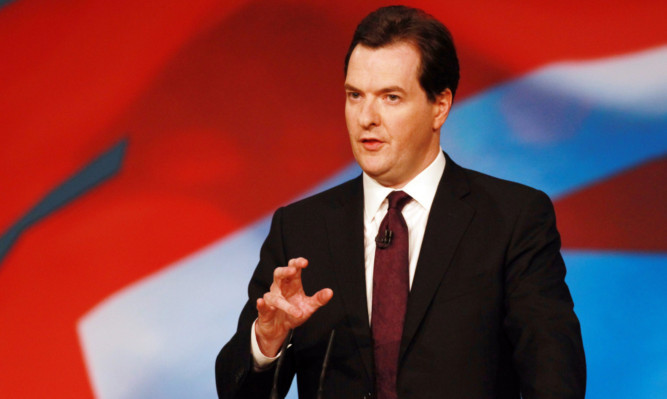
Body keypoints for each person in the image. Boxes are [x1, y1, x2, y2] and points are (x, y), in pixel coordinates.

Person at [215, 5, 586, 399]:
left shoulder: (512, 219)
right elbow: (238, 393)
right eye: (354, 95)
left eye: (390, 97)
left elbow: (554, 379)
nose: (366, 117)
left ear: (439, 106)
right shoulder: (300, 228)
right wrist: (267, 342)